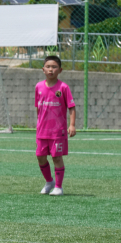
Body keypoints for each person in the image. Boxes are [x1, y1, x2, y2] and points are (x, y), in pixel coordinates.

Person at [35, 55, 76, 196]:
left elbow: (71, 107)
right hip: (42, 131)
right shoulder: (38, 87)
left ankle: (58, 187)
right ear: (43, 69)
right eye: (48, 67)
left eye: (54, 67)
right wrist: (38, 123)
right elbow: (38, 108)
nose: (51, 69)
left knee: (56, 157)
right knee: (40, 156)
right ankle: (49, 181)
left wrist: (72, 125)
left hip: (57, 131)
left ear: (60, 70)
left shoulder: (63, 88)